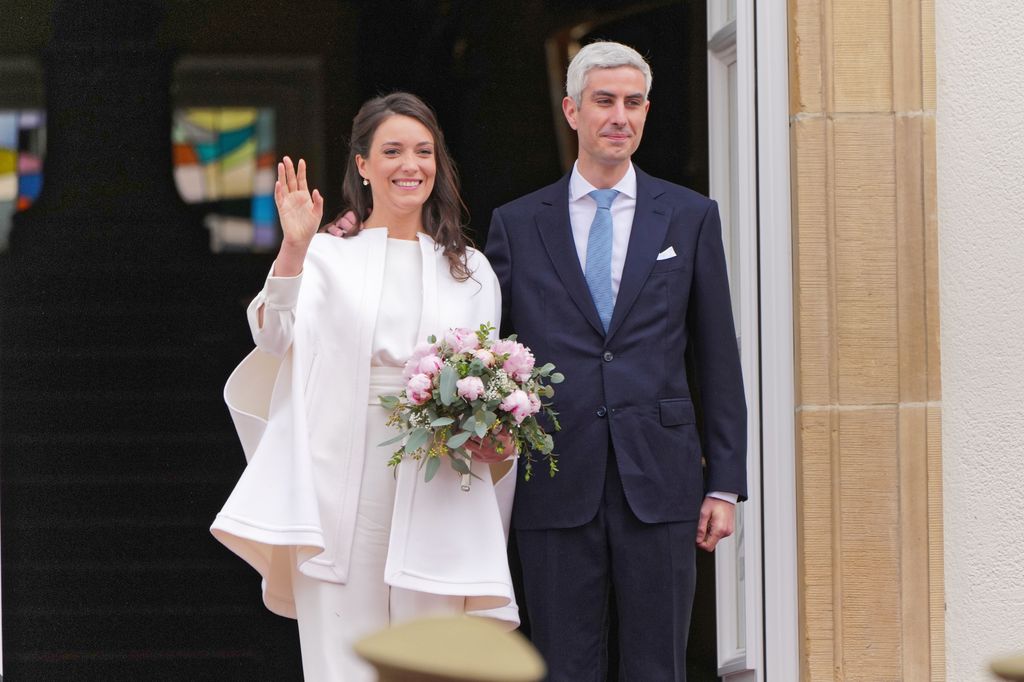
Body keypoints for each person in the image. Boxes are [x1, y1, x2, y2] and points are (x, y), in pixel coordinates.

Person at [210, 92, 518, 682]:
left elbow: (488, 379)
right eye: (393, 151)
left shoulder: (471, 270)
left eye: (424, 152)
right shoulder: (327, 255)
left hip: (437, 481)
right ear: (362, 164)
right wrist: (295, 247)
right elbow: (274, 338)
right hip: (338, 486)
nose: (411, 165)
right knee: (342, 660)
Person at [484, 42, 747, 681]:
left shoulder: (689, 216)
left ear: (646, 111)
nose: (619, 116)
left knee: (658, 663)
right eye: (604, 101)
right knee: (562, 664)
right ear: (573, 110)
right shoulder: (517, 224)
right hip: (554, 476)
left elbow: (717, 354)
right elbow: (484, 351)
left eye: (633, 103)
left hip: (661, 477)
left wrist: (724, 483)